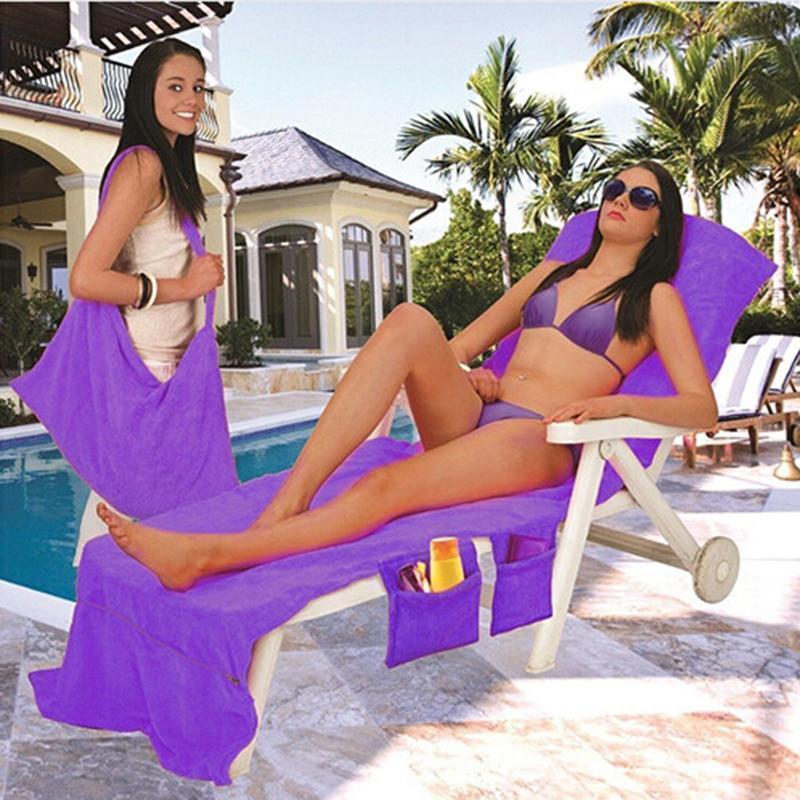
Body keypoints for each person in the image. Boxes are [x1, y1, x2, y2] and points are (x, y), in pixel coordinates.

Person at [96, 159, 718, 591]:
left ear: (659, 223)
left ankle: (209, 556)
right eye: (615, 187)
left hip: (538, 437)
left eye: (642, 198)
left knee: (387, 486)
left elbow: (700, 407)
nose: (621, 200)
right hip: (477, 417)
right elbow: (458, 347)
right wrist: (468, 371)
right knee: (410, 320)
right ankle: (292, 498)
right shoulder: (550, 274)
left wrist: (613, 407)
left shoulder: (654, 298)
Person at [70, 38, 225, 566]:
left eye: (198, 88)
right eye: (175, 86)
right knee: (132, 526)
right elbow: (86, 278)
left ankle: (108, 610)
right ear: (144, 92)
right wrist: (185, 286)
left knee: (150, 525)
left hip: (173, 371)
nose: (192, 99)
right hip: (150, 373)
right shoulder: (142, 165)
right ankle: (103, 610)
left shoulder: (167, 167)